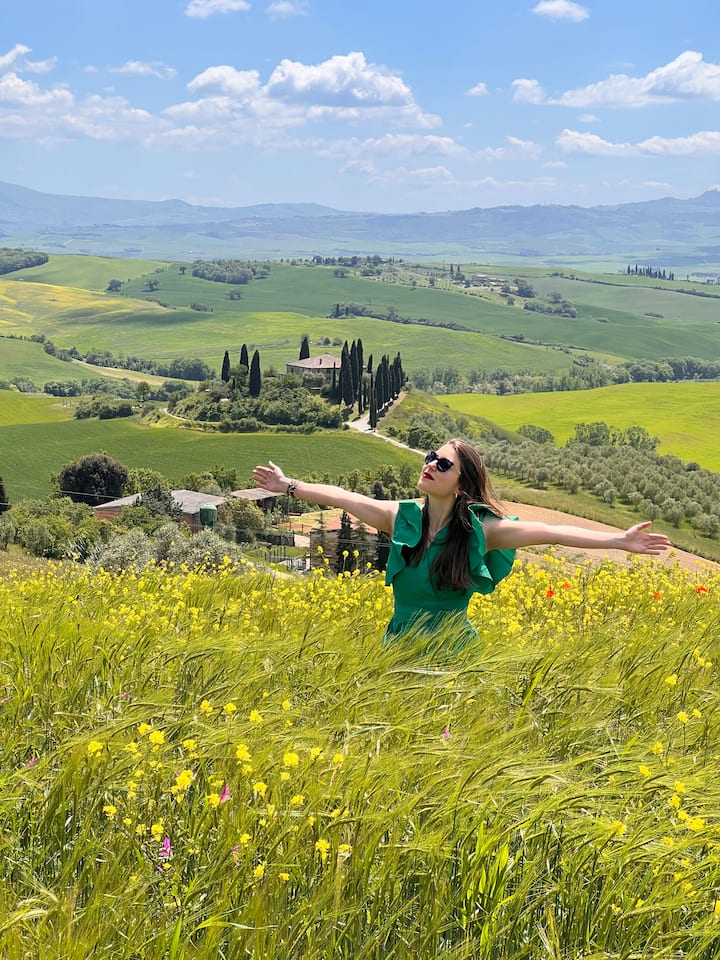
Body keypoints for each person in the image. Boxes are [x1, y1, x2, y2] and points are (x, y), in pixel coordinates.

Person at [253, 439, 671, 646]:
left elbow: (554, 532)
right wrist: (288, 486)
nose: (430, 465)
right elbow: (344, 497)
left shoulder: (481, 531)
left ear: (461, 482)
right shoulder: (402, 517)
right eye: (429, 458)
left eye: (443, 464)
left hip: (452, 649)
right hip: (397, 643)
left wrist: (618, 540)